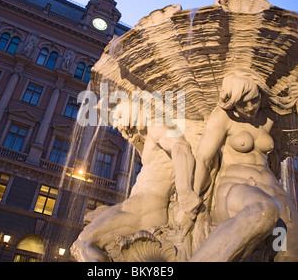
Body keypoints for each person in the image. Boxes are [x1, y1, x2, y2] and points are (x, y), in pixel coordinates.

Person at [190, 70, 298, 261]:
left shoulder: (268, 118)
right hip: (237, 193)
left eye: (254, 100)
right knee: (263, 211)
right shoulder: (223, 117)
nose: (250, 107)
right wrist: (193, 198)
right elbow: (203, 158)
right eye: (242, 103)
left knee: (292, 255)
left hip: (277, 196)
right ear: (232, 101)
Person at [70, 100, 201, 262]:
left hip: (145, 207)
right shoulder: (148, 136)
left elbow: (181, 147)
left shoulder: (156, 126)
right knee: (83, 245)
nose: (117, 125)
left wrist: (185, 192)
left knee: (82, 244)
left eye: (117, 116)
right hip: (138, 205)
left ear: (132, 107)